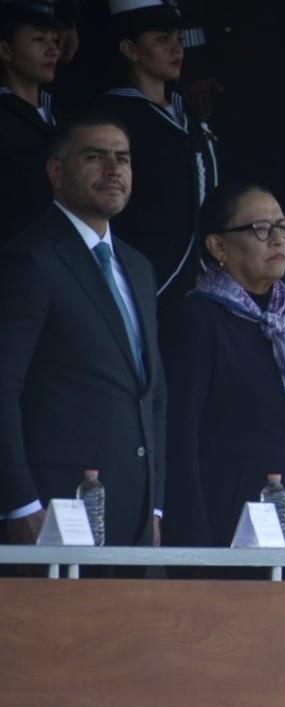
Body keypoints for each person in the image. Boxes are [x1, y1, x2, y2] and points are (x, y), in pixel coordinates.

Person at [0, 113, 165, 546]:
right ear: (56, 171)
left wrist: (157, 504)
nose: (114, 171)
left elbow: (153, 392)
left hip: (137, 518)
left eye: (123, 159)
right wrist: (19, 504)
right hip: (56, 514)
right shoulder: (30, 259)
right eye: (95, 157)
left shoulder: (140, 267)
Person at [161, 182, 285, 547]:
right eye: (260, 229)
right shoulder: (198, 318)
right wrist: (193, 546)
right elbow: (182, 439)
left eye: (283, 227)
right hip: (233, 531)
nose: (278, 239)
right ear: (218, 245)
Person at [92, 0, 218, 308]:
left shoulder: (186, 114)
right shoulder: (113, 117)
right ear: (130, 49)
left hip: (203, 280)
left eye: (178, 39)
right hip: (149, 282)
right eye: (162, 40)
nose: (177, 49)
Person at [0, 0, 69, 245]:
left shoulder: (64, 118)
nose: (53, 50)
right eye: (39, 40)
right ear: (6, 51)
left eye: (55, 41)